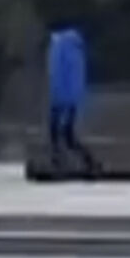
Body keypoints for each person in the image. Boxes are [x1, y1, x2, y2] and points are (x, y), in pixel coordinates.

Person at [46, 20, 100, 178]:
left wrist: (58, 96)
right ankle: (84, 161)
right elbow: (75, 76)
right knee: (64, 133)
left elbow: (57, 75)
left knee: (58, 132)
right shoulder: (74, 48)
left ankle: (63, 162)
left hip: (61, 98)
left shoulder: (60, 46)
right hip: (70, 99)